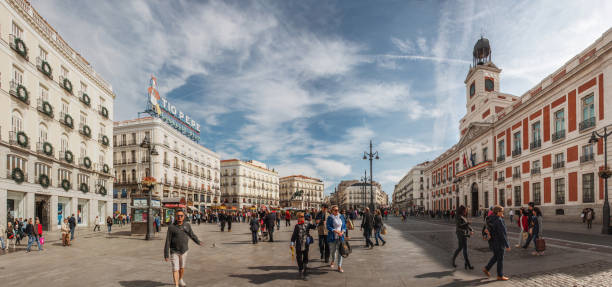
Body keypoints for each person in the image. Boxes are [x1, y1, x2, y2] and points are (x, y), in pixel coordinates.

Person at [164, 209, 203, 287]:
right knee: (175, 269)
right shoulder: (171, 227)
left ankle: (180, 279)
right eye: (178, 216)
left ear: (184, 216)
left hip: (184, 250)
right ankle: (176, 285)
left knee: (181, 268)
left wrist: (198, 241)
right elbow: (168, 240)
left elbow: (192, 235)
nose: (179, 217)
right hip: (174, 250)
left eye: (181, 216)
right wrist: (166, 254)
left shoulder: (187, 225)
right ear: (175, 217)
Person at [483, 205, 510, 281]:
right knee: (500, 259)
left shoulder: (490, 218)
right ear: (498, 212)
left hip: (492, 241)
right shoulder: (499, 220)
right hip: (499, 242)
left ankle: (486, 268)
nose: (503, 213)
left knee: (495, 257)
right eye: (502, 212)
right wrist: (507, 245)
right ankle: (500, 275)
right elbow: (502, 234)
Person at [290, 212, 317, 279]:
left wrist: (313, 221)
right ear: (298, 218)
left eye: (302, 217)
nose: (301, 218)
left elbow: (314, 227)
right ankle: (300, 269)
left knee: (305, 256)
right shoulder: (297, 226)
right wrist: (292, 243)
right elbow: (294, 235)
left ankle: (305, 267)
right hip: (299, 244)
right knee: (299, 257)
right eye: (299, 217)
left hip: (306, 243)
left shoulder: (307, 223)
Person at [326, 205, 347, 273]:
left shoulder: (341, 216)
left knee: (340, 252)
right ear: (332, 211)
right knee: (333, 251)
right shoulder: (330, 217)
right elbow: (328, 226)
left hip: (340, 237)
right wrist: (335, 231)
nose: (337, 211)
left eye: (337, 210)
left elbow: (344, 226)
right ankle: (332, 261)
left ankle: (339, 266)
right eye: (335, 210)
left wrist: (342, 232)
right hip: (332, 237)